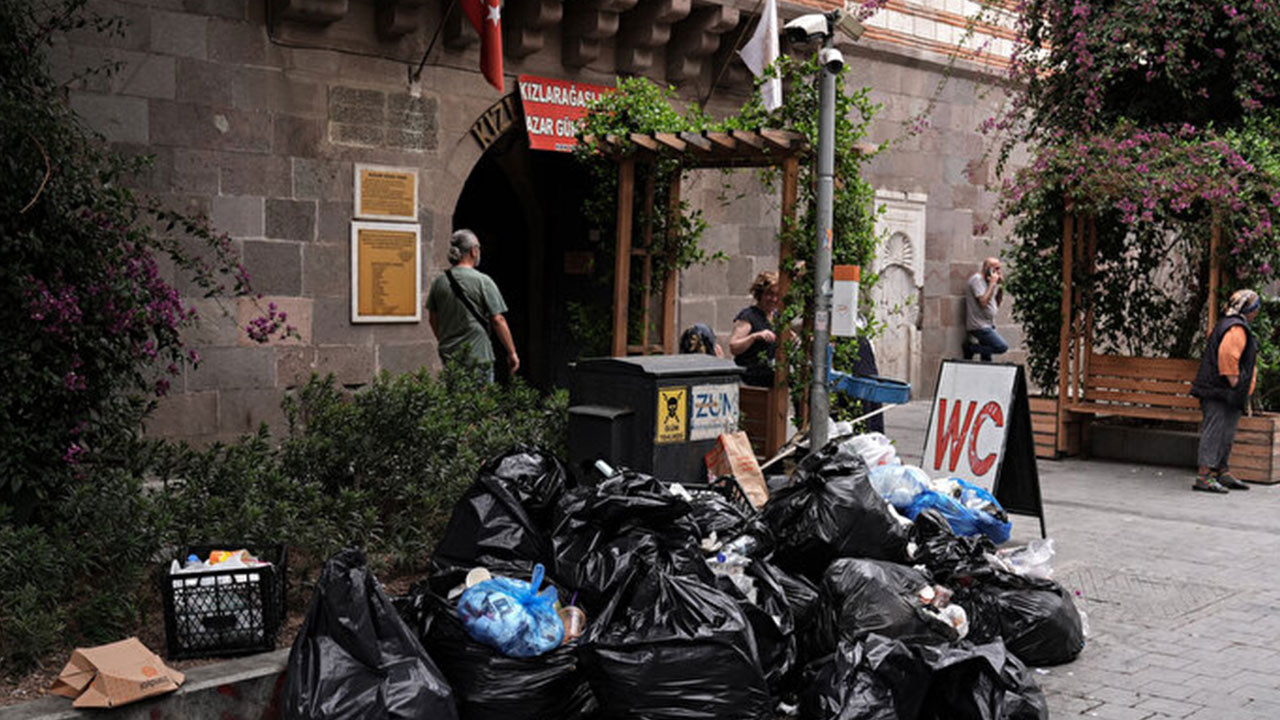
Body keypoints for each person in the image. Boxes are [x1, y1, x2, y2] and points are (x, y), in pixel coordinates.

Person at [1190, 289, 1262, 494]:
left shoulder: (1230, 324)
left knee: (1226, 432)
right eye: (1255, 307)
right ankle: (1204, 476)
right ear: (1249, 309)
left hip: (1224, 392)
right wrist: (1235, 382)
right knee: (1214, 431)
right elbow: (1227, 356)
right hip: (1219, 390)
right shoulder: (1235, 328)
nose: (1257, 312)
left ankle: (1222, 470)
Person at [426, 229, 519, 381]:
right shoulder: (483, 281)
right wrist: (512, 352)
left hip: (450, 355)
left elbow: (433, 319)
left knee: (456, 400)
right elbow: (498, 320)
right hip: (478, 355)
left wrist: (446, 340)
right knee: (480, 402)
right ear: (473, 251)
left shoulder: (439, 282)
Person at [729, 271, 780, 387]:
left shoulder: (777, 317)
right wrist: (754, 336)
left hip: (770, 378)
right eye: (769, 294)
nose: (774, 299)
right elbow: (734, 346)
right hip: (751, 379)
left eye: (777, 295)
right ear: (760, 294)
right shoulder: (749, 316)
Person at [963, 257, 1010, 361]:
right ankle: (971, 349)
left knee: (987, 360)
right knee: (1001, 347)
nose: (998, 272)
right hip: (979, 326)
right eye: (996, 269)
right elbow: (983, 302)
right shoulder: (977, 280)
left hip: (989, 324)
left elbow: (995, 304)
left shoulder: (987, 282)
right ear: (987, 269)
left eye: (999, 269)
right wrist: (992, 284)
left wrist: (1001, 288)